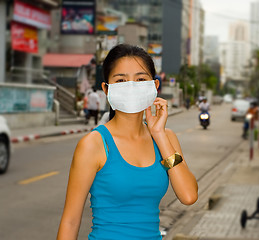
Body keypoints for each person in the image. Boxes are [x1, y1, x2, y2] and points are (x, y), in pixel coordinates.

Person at [57, 44, 198, 240]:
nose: (131, 86)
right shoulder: (93, 144)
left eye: (140, 79)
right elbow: (70, 221)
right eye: (121, 80)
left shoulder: (166, 138)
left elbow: (188, 195)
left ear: (154, 86)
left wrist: (158, 134)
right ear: (106, 89)